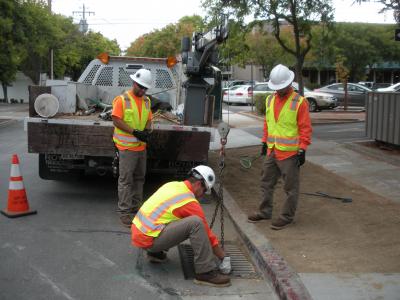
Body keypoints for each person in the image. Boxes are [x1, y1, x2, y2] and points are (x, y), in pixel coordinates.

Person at [131, 165, 232, 287]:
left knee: (172, 216)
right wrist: (223, 256)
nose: (202, 195)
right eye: (205, 190)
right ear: (199, 184)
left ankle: (155, 253)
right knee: (196, 223)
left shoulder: (173, 185)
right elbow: (207, 233)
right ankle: (205, 272)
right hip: (149, 240)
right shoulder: (188, 201)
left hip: (140, 233)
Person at [248, 64, 312, 230]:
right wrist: (264, 141)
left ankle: (286, 216)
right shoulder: (270, 99)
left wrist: (302, 149)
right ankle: (265, 211)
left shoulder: (299, 102)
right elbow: (268, 124)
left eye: (281, 87)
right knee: (266, 182)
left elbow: (305, 128)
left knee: (290, 188)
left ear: (289, 83)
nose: (279, 90)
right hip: (272, 150)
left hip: (290, 154)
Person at [112, 69, 153, 228]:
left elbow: (148, 119)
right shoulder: (122, 100)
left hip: (141, 148)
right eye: (141, 87)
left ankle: (137, 210)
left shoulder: (147, 101)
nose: (143, 90)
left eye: (145, 88)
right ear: (134, 83)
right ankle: (124, 213)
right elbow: (116, 120)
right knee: (126, 181)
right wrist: (135, 132)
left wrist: (147, 131)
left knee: (139, 179)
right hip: (127, 148)